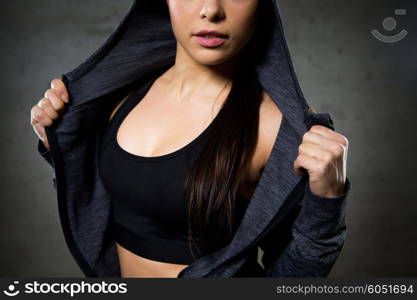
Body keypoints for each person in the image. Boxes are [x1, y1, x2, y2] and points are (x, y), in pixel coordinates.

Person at [30, 0, 351, 278]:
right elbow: (104, 202)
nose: (210, 10)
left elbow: (293, 275)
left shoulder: (274, 130)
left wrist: (327, 201)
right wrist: (61, 145)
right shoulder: (118, 95)